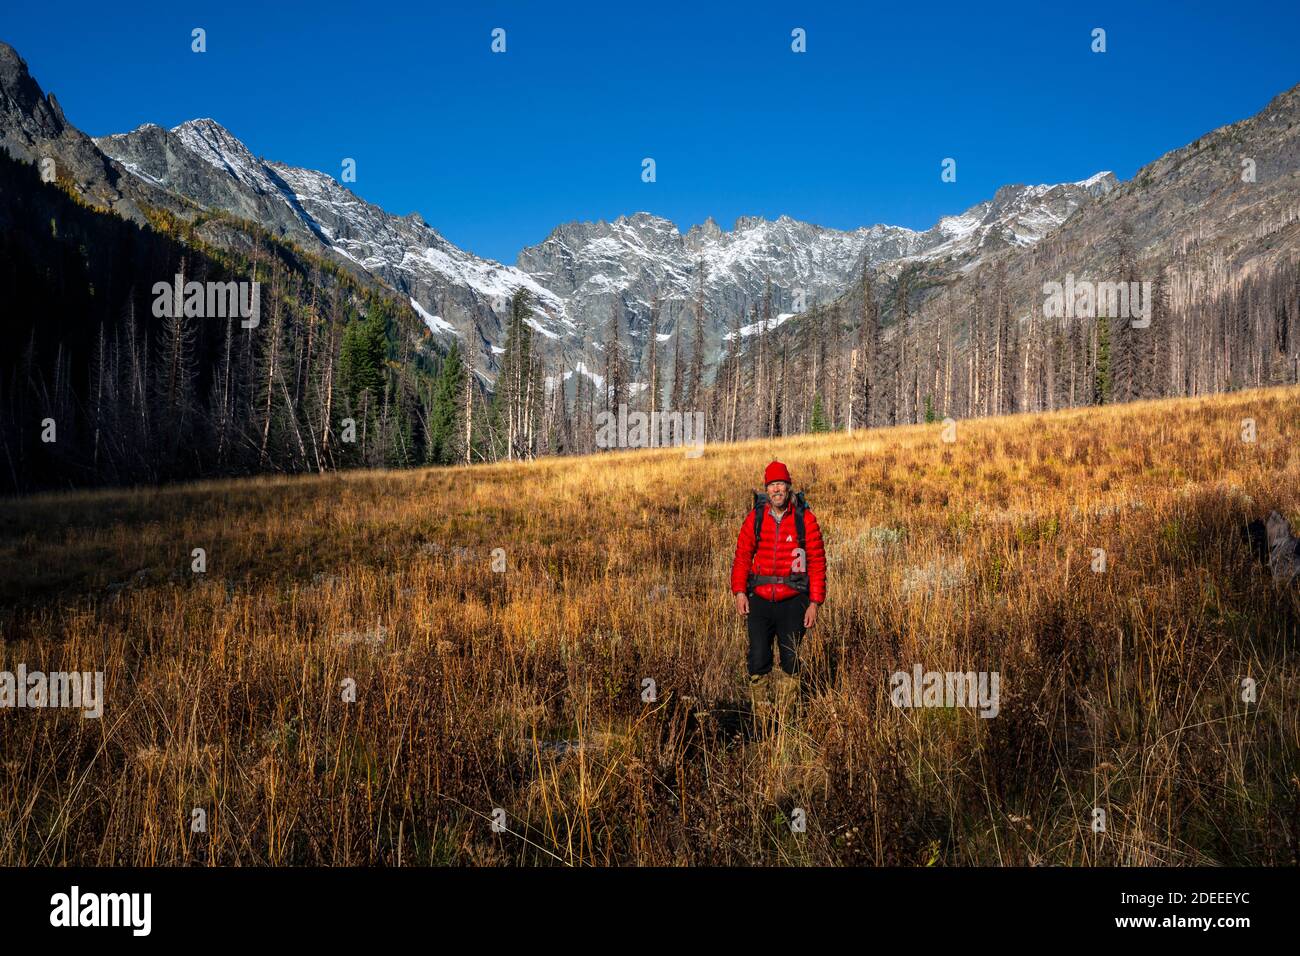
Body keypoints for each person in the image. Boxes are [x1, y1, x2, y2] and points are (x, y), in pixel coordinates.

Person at [730, 460, 826, 706]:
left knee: (790, 659)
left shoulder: (806, 519)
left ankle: (785, 719)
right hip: (760, 600)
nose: (776, 490)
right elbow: (742, 556)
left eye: (780, 484)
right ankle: (763, 724)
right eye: (772, 485)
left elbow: (817, 562)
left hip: (794, 601)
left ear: (789, 486)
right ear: (766, 489)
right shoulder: (755, 518)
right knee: (758, 658)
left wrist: (814, 602)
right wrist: (740, 592)